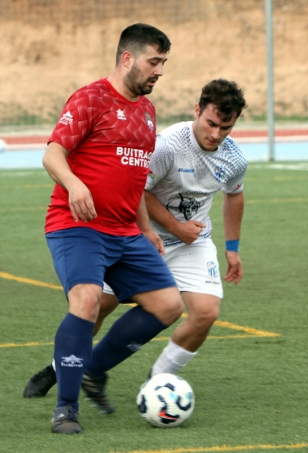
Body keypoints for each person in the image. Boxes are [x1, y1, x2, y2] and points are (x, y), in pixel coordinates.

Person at [24, 78, 248, 408]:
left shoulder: (235, 158)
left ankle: (158, 383)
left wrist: (232, 247)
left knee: (206, 311)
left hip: (192, 242)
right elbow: (137, 190)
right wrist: (171, 227)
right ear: (197, 111)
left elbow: (235, 195)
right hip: (141, 234)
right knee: (96, 307)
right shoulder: (169, 145)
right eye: (211, 123)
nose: (215, 134)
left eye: (225, 127)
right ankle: (60, 369)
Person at [41, 23, 184, 435]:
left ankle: (93, 368)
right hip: (78, 226)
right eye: (154, 61)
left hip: (125, 232)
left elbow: (134, 180)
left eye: (163, 63)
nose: (159, 71)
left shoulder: (147, 112)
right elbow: (52, 154)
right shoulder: (92, 98)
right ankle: (65, 409)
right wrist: (74, 183)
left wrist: (146, 229)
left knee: (168, 305)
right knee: (86, 301)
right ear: (127, 58)